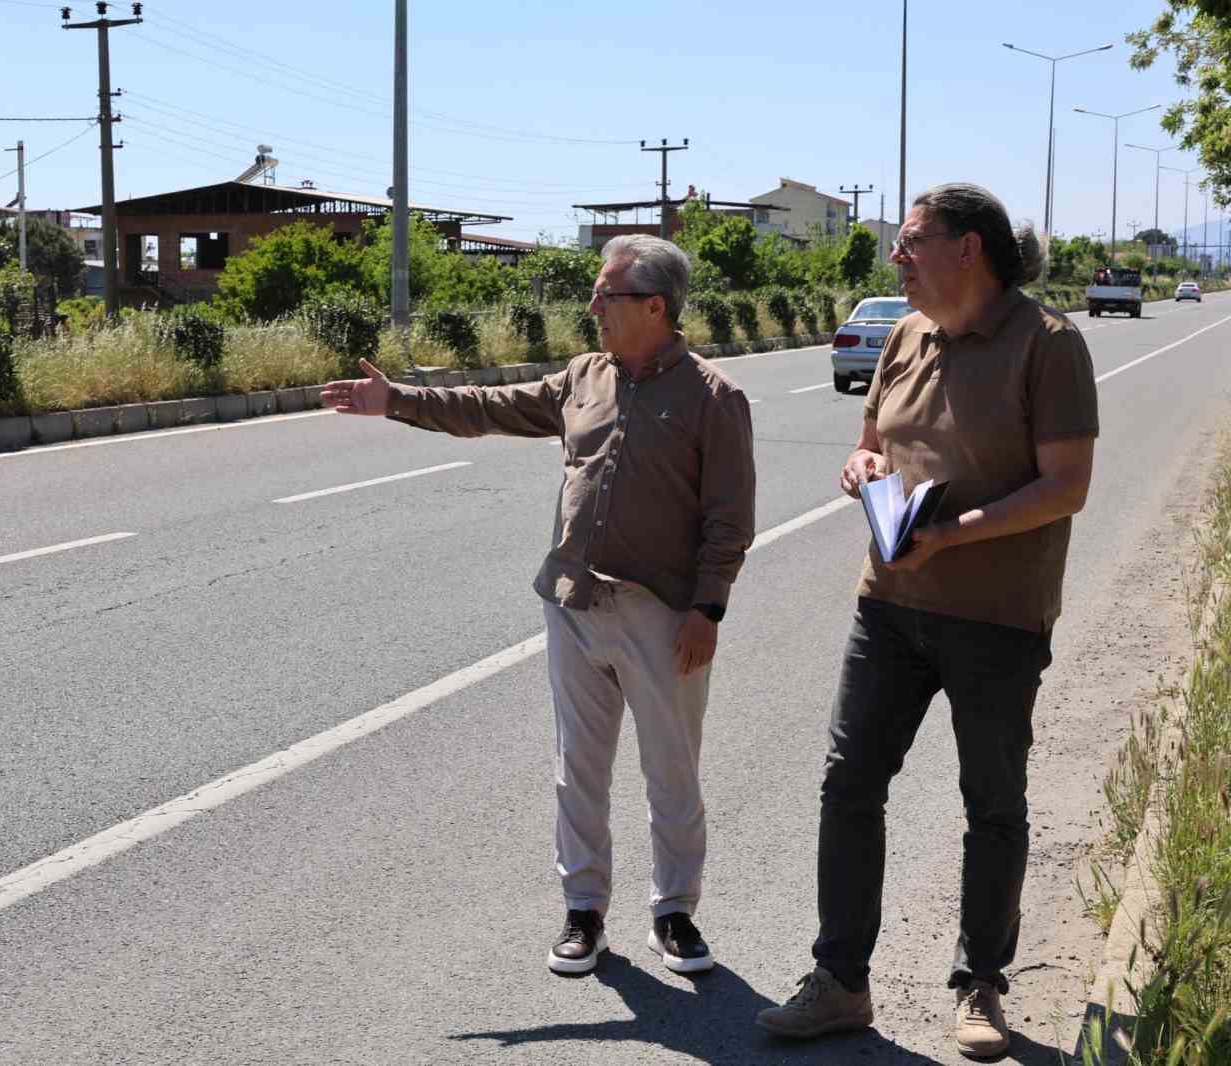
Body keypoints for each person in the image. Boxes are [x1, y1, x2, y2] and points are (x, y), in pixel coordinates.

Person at [320, 234, 756, 977]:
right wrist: (397, 400)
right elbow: (490, 406)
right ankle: (584, 912)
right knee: (577, 768)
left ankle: (674, 912)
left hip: (664, 614)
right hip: (575, 603)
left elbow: (728, 520)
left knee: (672, 770)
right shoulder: (584, 376)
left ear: (654, 306)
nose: (591, 306)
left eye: (604, 295)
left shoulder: (715, 397)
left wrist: (706, 613)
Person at [755, 184, 1098, 1059]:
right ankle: (840, 984)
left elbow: (1066, 487)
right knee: (849, 783)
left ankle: (980, 985)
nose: (896, 258)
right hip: (890, 605)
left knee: (991, 802)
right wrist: (863, 462)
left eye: (911, 242)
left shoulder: (1050, 344)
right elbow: (872, 437)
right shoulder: (905, 336)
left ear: (968, 250)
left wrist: (948, 534)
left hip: (996, 617)